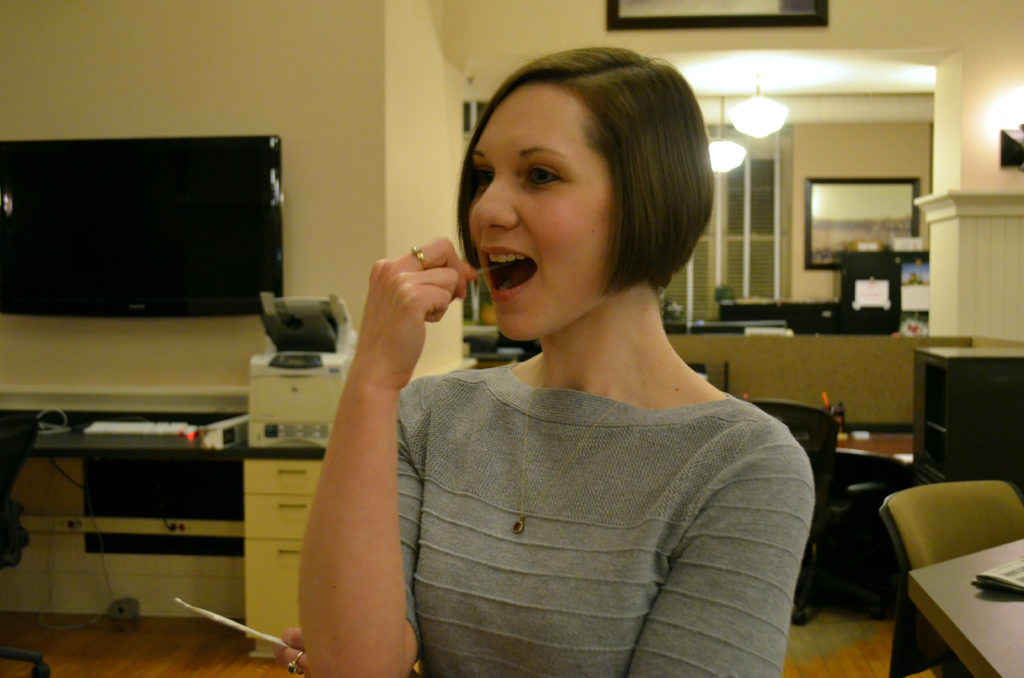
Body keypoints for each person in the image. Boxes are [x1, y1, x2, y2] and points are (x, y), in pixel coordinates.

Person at [274, 46, 813, 678]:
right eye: (484, 176)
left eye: (539, 175)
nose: (485, 210)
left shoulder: (743, 465)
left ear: (650, 198)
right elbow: (353, 666)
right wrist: (372, 378)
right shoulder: (428, 417)